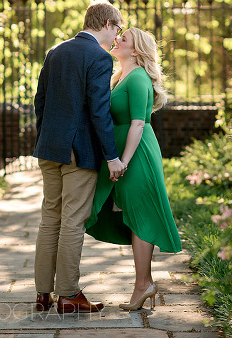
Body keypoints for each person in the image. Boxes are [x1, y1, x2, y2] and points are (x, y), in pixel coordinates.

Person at [32, 0, 127, 314]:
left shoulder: (55, 51)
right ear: (105, 24)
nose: (117, 38)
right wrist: (111, 156)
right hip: (78, 152)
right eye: (117, 29)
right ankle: (70, 295)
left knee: (51, 218)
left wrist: (47, 138)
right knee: (72, 220)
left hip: (49, 148)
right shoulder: (99, 58)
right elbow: (99, 112)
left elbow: (40, 102)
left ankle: (43, 294)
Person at [85, 27, 182, 311]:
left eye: (123, 38)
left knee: (141, 213)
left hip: (137, 155)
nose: (116, 40)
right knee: (131, 212)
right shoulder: (121, 76)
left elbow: (139, 123)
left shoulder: (138, 77)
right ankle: (144, 282)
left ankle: (144, 284)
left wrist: (124, 160)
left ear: (136, 50)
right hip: (124, 154)